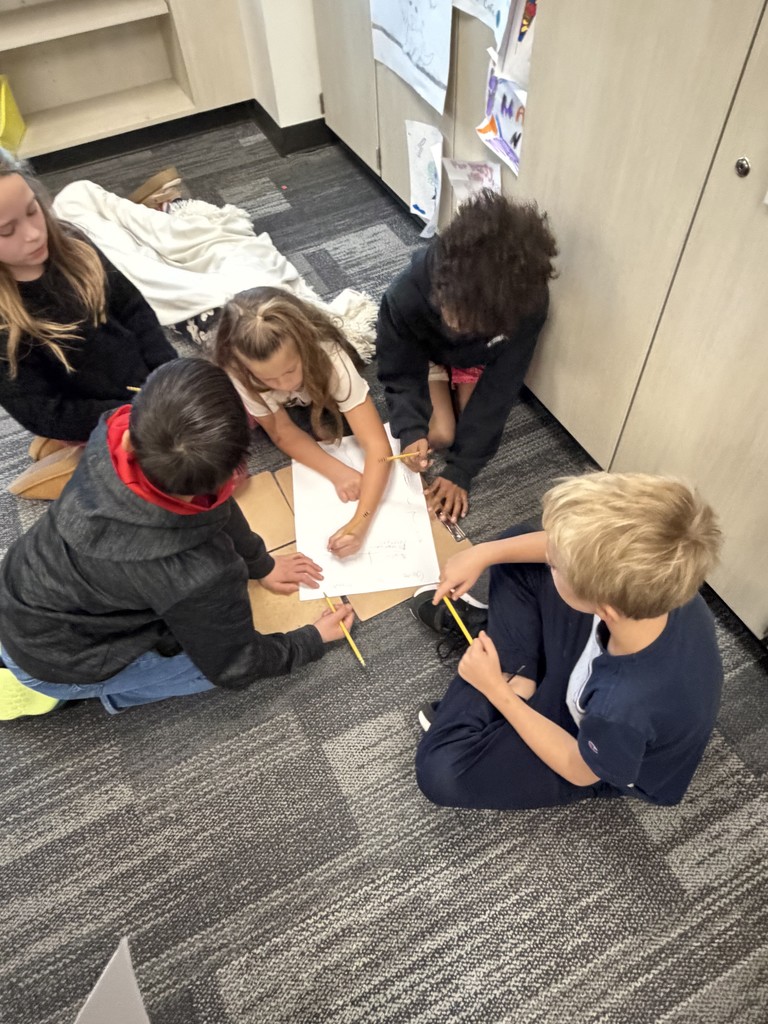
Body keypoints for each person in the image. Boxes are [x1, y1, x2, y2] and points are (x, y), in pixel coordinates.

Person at [0, 358, 355, 718]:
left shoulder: (113, 430)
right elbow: (236, 665)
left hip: (17, 590)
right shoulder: (199, 572)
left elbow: (211, 504)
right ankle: (73, 694)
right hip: (55, 665)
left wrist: (258, 562)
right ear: (234, 475)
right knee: (203, 670)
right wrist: (309, 641)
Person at [411, 472, 723, 810]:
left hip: (589, 750)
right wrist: (484, 553)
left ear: (605, 606)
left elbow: (580, 771)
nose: (551, 558)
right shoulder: (661, 585)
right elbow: (553, 549)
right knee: (515, 547)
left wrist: (496, 692)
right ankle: (520, 681)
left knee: (440, 770)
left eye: (557, 565)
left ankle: (503, 683)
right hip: (593, 672)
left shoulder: (620, 710)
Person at [0, 148, 177, 499]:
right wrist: (135, 414)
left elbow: (135, 310)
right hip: (96, 412)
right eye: (7, 231)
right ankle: (63, 463)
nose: (35, 234)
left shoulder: (73, 243)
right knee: (172, 482)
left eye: (34, 210)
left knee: (222, 412)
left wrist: (167, 373)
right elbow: (44, 412)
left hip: (142, 385)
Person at [376, 189, 558, 522]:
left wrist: (462, 470)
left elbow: (501, 387)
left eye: (470, 325)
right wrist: (411, 429)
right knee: (438, 435)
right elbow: (399, 371)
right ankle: (442, 384)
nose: (458, 327)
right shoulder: (405, 296)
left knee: (471, 432)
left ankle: (456, 376)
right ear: (440, 288)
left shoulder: (526, 305)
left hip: (480, 358)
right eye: (452, 317)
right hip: (426, 352)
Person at [212, 286, 392, 558]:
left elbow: (378, 444)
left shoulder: (328, 354)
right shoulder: (237, 369)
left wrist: (360, 522)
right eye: (269, 380)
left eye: (290, 370)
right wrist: (337, 471)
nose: (285, 385)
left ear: (306, 348)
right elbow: (282, 431)